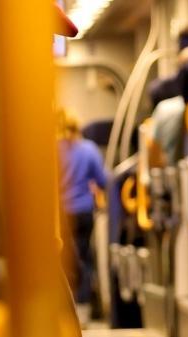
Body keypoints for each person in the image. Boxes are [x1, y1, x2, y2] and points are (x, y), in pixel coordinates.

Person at [57, 109, 108, 323]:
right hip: (84, 211)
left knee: (64, 261)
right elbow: (104, 180)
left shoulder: (53, 150)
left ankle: (63, 312)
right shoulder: (88, 149)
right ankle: (84, 312)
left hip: (61, 214)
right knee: (85, 260)